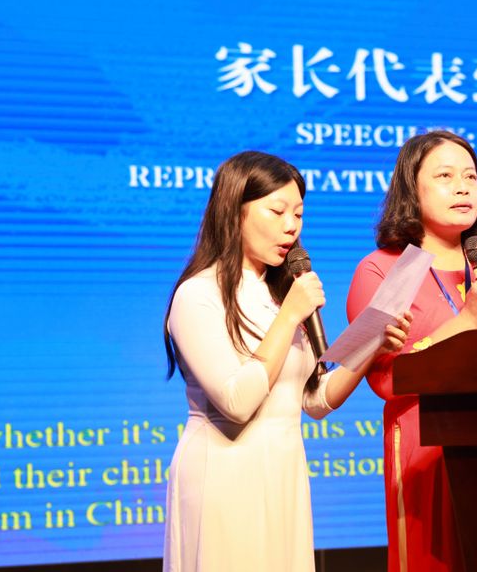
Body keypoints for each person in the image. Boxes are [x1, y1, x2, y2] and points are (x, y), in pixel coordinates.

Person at [161, 151, 409, 572]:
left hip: (283, 472)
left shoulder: (281, 294)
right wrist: (290, 315)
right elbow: (237, 401)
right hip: (222, 474)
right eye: (277, 211)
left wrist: (371, 349)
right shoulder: (198, 294)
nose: (291, 226)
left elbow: (314, 399)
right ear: (233, 210)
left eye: (298, 214)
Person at [346, 132, 477, 572]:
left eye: (470, 177)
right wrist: (467, 320)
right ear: (412, 189)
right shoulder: (384, 269)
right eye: (445, 176)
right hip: (423, 443)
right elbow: (386, 379)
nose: (463, 187)